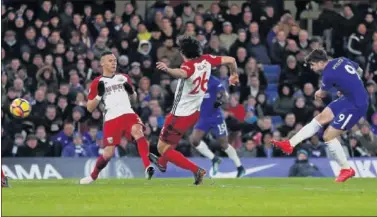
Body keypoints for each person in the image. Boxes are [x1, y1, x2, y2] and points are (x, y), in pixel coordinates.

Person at [149, 36, 239, 185]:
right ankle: (162, 163)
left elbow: (182, 74)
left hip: (180, 114)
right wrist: (234, 74)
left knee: (162, 147)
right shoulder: (207, 59)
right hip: (194, 113)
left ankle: (197, 170)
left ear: (183, 53)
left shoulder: (188, 66)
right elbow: (231, 60)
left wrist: (168, 69)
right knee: (171, 143)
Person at [271, 49, 368, 182]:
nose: (312, 68)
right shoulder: (341, 59)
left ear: (321, 62)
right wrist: (350, 87)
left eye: (313, 64)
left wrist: (317, 93)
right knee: (320, 118)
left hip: (356, 104)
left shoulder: (327, 75)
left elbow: (321, 94)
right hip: (349, 97)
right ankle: (290, 143)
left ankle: (346, 169)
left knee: (328, 135)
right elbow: (360, 71)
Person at [79, 51, 154, 184]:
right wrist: (98, 95)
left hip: (128, 113)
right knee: (108, 154)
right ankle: (93, 176)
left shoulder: (124, 77)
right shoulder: (97, 82)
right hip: (111, 118)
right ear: (102, 63)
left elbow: (134, 100)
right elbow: (90, 108)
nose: (113, 63)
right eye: (110, 60)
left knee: (138, 132)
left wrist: (131, 92)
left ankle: (147, 167)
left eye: (114, 60)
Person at [189, 75, 245, 177]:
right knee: (194, 140)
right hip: (203, 117)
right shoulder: (195, 81)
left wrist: (220, 101)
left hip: (216, 117)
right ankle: (214, 159)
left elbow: (225, 96)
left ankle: (239, 166)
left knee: (224, 145)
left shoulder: (214, 81)